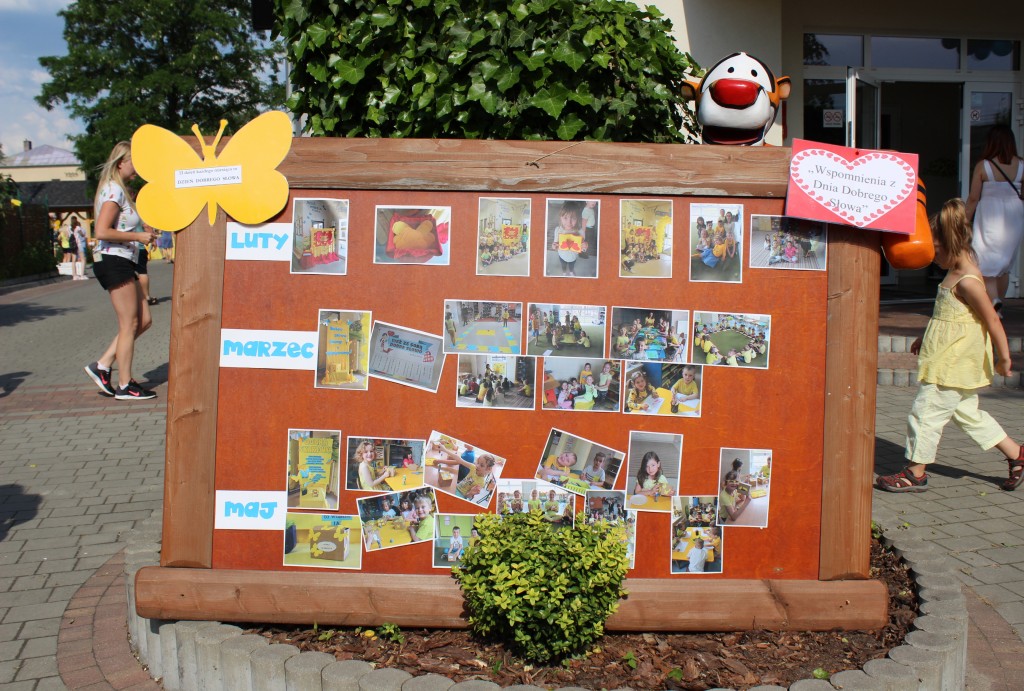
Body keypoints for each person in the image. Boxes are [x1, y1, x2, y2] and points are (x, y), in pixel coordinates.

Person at [875, 198, 1023, 492]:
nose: (933, 257)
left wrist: (1004, 357)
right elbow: (946, 313)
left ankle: (915, 472)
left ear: (951, 243)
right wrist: (925, 335)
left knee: (925, 413)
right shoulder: (953, 272)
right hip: (947, 358)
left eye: (936, 250)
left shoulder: (968, 281)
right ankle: (1016, 453)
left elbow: (992, 320)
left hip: (951, 363)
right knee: (968, 414)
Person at [83, 142, 157, 401]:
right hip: (114, 259)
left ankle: (102, 365)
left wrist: (142, 233)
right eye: (136, 162)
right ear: (121, 162)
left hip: (124, 259)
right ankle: (125, 385)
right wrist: (138, 236)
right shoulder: (114, 190)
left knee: (143, 320)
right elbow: (101, 231)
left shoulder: (120, 189)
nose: (139, 168)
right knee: (129, 324)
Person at [965, 125, 1023, 312]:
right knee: (1004, 265)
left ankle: (994, 300)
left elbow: (973, 198)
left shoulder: (984, 166)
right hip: (1014, 216)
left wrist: (964, 221)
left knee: (984, 260)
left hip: (990, 215)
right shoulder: (1021, 165)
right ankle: (997, 306)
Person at [549, 201, 587, 276]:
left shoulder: (580, 232)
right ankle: (564, 272)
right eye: (565, 218)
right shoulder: (558, 230)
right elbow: (555, 244)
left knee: (571, 266)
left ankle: (571, 271)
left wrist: (585, 246)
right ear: (560, 218)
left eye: (573, 218)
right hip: (562, 255)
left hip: (573, 257)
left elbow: (583, 248)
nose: (569, 222)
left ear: (577, 219)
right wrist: (554, 246)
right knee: (563, 265)